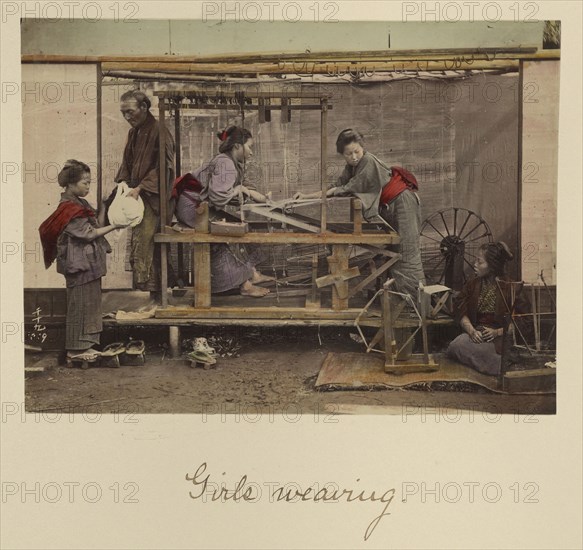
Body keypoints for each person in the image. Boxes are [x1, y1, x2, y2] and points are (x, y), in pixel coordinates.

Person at [294, 129, 425, 300]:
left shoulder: (368, 161)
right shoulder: (352, 167)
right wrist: (306, 196)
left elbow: (347, 188)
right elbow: (336, 185)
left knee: (406, 251)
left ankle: (416, 301)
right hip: (389, 205)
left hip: (402, 202)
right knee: (395, 250)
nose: (354, 157)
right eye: (348, 154)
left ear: (362, 148)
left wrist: (330, 192)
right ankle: (398, 297)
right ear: (343, 154)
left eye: (357, 151)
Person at [39, 160, 125, 362]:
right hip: (78, 263)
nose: (88, 186)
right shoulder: (69, 208)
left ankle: (86, 346)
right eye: (85, 182)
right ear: (71, 184)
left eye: (89, 182)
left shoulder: (80, 204)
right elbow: (89, 234)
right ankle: (75, 350)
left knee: (90, 303)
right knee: (80, 304)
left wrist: (104, 206)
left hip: (88, 261)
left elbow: (96, 223)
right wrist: (115, 226)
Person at [173, 126, 272, 297]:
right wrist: (240, 189)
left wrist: (258, 196)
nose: (252, 152)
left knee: (241, 226)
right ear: (237, 147)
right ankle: (244, 284)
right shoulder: (225, 162)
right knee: (223, 235)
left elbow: (230, 191)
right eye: (249, 147)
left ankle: (252, 274)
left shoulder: (231, 162)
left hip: (198, 205)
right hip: (191, 207)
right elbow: (219, 198)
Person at [112, 89, 175, 298]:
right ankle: (153, 294)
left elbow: (164, 168)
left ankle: (159, 295)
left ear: (144, 108)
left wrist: (140, 188)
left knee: (148, 243)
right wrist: (123, 183)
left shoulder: (160, 130)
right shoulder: (134, 132)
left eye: (130, 112)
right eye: (123, 114)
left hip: (154, 198)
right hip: (137, 196)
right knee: (141, 242)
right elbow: (127, 162)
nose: (127, 117)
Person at [447, 242, 529, 376]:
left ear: (492, 266)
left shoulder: (511, 287)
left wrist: (496, 332)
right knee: (455, 346)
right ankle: (496, 364)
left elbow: (523, 321)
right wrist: (471, 331)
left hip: (499, 338)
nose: (475, 264)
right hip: (477, 334)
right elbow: (460, 310)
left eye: (479, 262)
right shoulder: (472, 284)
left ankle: (495, 363)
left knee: (483, 351)